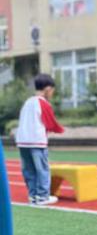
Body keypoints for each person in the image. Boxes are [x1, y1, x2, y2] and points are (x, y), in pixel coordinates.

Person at [15, 73, 64, 205]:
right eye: (52, 91)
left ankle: (33, 195)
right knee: (42, 168)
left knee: (29, 169)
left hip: (23, 141)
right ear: (48, 89)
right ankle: (43, 196)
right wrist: (60, 130)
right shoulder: (43, 103)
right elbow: (50, 123)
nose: (52, 93)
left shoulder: (27, 102)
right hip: (37, 141)